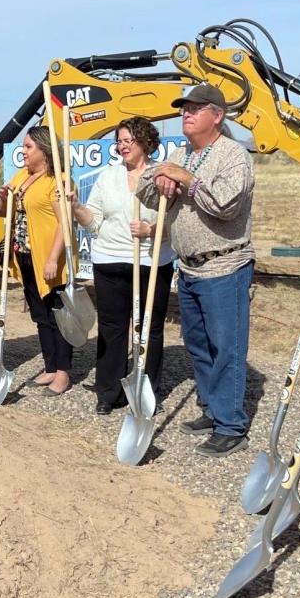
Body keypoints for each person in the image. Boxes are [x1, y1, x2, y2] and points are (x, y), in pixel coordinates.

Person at [137, 84, 255, 456]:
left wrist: (185, 179)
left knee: (226, 348)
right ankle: (212, 408)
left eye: (195, 108)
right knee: (198, 345)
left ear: (217, 115)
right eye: (184, 109)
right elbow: (145, 189)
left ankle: (231, 425)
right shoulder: (181, 153)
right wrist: (159, 179)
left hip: (225, 265)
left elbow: (225, 205)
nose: (185, 113)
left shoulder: (234, 155)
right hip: (188, 267)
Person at [73, 117, 174, 415]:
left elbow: (176, 223)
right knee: (112, 328)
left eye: (127, 140)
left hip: (150, 262)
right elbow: (94, 222)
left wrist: (151, 231)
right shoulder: (109, 177)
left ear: (144, 141)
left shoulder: (162, 176)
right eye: (119, 141)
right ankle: (109, 391)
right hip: (110, 261)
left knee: (149, 330)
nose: (122, 146)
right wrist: (77, 208)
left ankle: (145, 391)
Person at [0, 126, 71, 396]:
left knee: (58, 316)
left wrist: (52, 259)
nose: (23, 152)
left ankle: (63, 372)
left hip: (48, 260)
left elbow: (65, 224)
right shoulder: (22, 176)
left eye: (28, 147)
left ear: (44, 150)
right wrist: (2, 200)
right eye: (23, 146)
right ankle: (50, 365)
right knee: (40, 315)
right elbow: (3, 212)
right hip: (24, 255)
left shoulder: (56, 180)